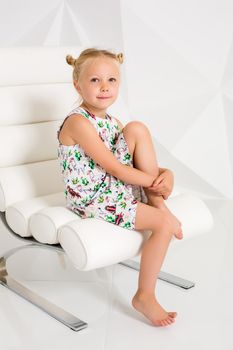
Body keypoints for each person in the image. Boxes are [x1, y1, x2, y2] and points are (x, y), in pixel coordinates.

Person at [57, 47, 183, 327]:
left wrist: (167, 174)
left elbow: (132, 164)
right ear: (77, 84)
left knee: (137, 127)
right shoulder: (78, 122)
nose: (104, 87)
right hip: (94, 197)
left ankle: (158, 202)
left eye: (111, 80)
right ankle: (145, 295)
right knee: (162, 225)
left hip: (115, 186)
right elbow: (114, 167)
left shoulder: (113, 123)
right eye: (94, 80)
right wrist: (155, 183)